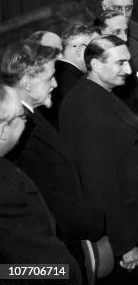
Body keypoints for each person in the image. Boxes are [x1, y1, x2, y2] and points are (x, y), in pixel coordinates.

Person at [0, 41, 105, 281]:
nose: (56, 85)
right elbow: (45, 199)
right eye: (49, 78)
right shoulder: (18, 130)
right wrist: (96, 220)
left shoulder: (33, 117)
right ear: (27, 81)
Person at [60, 35, 138, 284]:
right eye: (120, 63)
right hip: (121, 228)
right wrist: (124, 243)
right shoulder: (87, 110)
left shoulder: (97, 94)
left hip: (130, 217)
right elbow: (99, 185)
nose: (128, 69)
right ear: (95, 64)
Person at [0, 84, 83, 284]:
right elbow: (49, 268)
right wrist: (70, 275)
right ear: (3, 129)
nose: (26, 123)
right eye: (22, 117)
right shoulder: (10, 189)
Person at [39, 23, 98, 128]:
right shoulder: (77, 84)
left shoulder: (50, 76)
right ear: (80, 50)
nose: (97, 57)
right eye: (94, 51)